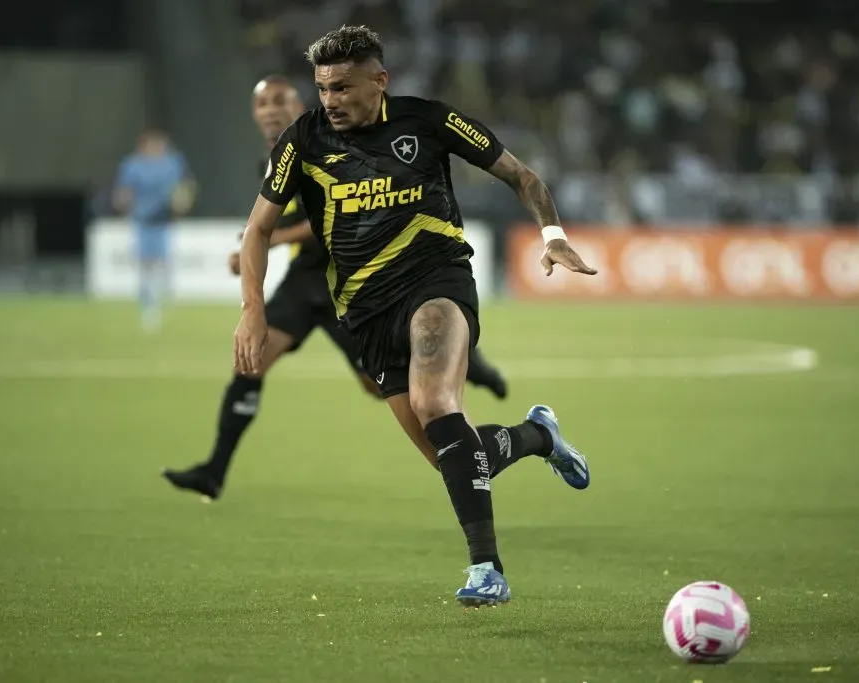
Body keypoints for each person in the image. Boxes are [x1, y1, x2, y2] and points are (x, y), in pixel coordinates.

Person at [234, 26, 597, 608]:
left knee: (435, 403)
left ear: (380, 81)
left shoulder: (428, 121)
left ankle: (487, 570)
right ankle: (537, 435)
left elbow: (522, 176)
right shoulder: (302, 141)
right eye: (323, 88)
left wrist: (552, 236)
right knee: (455, 459)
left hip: (437, 282)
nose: (331, 100)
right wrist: (252, 310)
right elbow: (257, 230)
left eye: (344, 87)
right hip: (365, 314)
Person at [162, 74, 509, 502]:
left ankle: (470, 366)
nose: (270, 110)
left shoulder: (326, 144)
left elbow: (336, 216)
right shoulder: (273, 162)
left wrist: (275, 238)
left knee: (381, 384)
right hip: (302, 284)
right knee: (250, 363)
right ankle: (214, 471)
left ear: (299, 105)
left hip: (349, 284)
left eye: (279, 101)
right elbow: (272, 224)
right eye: (261, 104)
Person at [113, 129, 195, 332]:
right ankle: (149, 306)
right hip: (142, 221)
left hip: (164, 221)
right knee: (145, 264)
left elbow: (184, 187)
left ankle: (167, 298)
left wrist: (181, 203)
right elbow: (124, 192)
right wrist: (123, 205)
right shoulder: (132, 165)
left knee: (165, 262)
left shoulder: (172, 163)